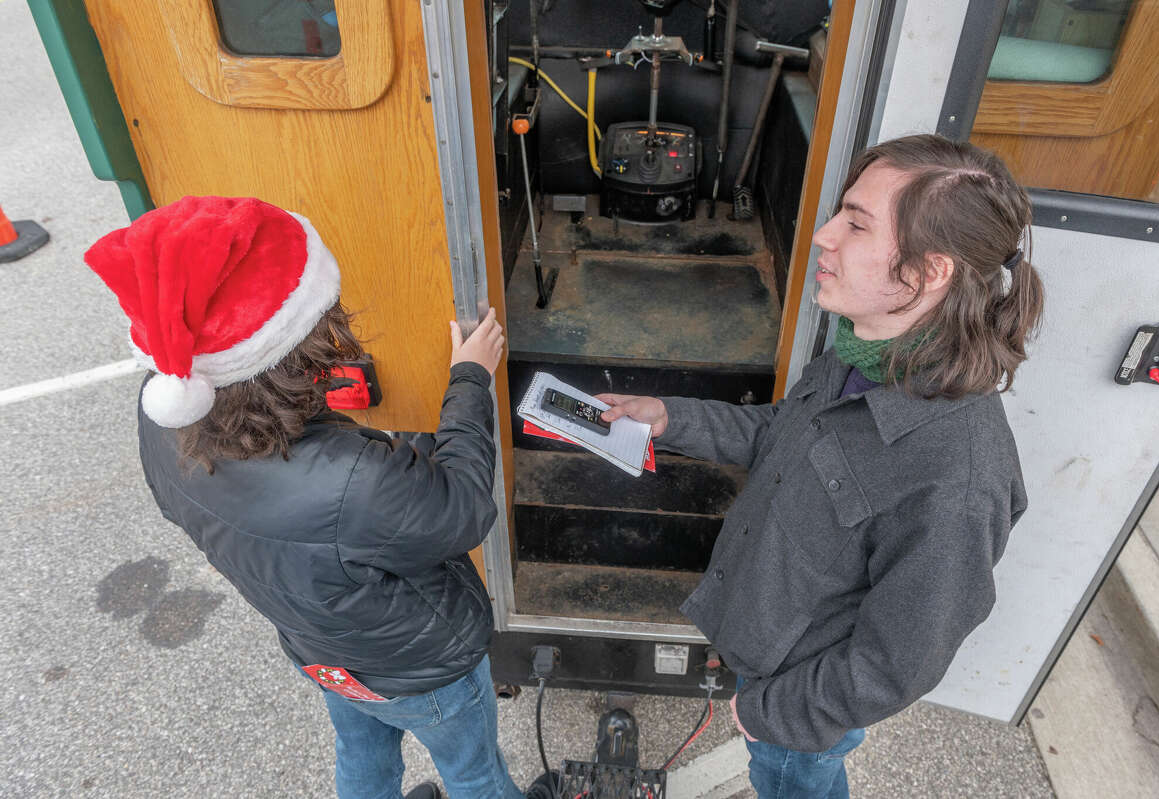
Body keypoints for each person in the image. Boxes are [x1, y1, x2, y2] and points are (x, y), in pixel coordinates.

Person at [599, 134, 1044, 798]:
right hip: (766, 653)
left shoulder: (960, 477)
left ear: (928, 272)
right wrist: (671, 416)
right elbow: (783, 432)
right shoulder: (866, 348)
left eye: (856, 223)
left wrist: (766, 714)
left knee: (792, 783)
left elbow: (897, 664)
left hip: (794, 707)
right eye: (840, 212)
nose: (823, 236)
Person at [84, 196, 526, 799]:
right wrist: (470, 378)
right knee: (474, 773)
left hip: (322, 651)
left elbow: (180, 506)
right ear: (300, 347)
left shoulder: (163, 415)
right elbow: (464, 508)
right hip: (421, 670)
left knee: (361, 751)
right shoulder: (355, 479)